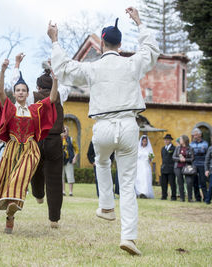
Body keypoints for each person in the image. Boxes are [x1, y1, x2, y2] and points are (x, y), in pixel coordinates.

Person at [49, 7, 160, 255]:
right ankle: (129, 237)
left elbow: (65, 68)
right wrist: (140, 23)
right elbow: (151, 51)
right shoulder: (132, 63)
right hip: (129, 126)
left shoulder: (93, 68)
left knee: (101, 161)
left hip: (104, 127)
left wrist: (55, 40)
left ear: (101, 45)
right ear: (120, 45)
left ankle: (107, 206)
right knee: (128, 184)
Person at [0, 58, 57, 234]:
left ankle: (13, 205)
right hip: (11, 149)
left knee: (21, 176)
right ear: (15, 93)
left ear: (27, 93)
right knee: (9, 181)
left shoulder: (35, 109)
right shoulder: (9, 107)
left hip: (30, 149)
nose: (21, 92)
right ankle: (10, 216)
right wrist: (2, 71)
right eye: (18, 90)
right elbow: (1, 91)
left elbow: (53, 98)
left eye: (24, 90)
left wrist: (55, 78)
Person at [12, 53, 71, 229]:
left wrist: (17, 65)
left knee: (36, 171)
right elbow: (67, 83)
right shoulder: (60, 93)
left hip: (36, 140)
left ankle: (38, 194)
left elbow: (15, 85)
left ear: (37, 86)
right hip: (54, 141)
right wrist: (56, 71)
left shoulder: (31, 97)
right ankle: (54, 219)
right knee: (54, 178)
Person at [173, 135, 195, 202]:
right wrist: (179, 159)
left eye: (180, 139)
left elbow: (192, 158)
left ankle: (190, 198)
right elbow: (173, 157)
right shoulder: (177, 148)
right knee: (180, 182)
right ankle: (182, 198)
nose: (179, 140)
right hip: (178, 167)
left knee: (189, 182)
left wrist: (185, 160)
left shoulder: (190, 148)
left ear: (184, 140)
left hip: (187, 167)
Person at [190, 128, 208, 202]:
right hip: (194, 165)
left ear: (200, 135)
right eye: (194, 135)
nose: (195, 136)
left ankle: (206, 198)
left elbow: (205, 153)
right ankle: (198, 198)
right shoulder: (191, 144)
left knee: (203, 182)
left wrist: (197, 152)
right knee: (195, 182)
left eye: (196, 134)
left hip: (202, 165)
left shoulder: (205, 143)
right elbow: (191, 153)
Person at [61, 125, 78, 197]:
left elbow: (77, 150)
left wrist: (75, 158)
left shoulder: (71, 139)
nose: (65, 132)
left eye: (66, 131)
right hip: (61, 161)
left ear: (68, 131)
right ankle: (63, 191)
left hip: (69, 160)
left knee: (70, 176)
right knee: (61, 177)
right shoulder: (59, 139)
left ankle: (70, 192)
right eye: (63, 131)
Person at [160, 134, 176, 200]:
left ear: (170, 140)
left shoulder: (174, 148)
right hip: (164, 168)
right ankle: (164, 196)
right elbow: (162, 157)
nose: (166, 141)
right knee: (163, 183)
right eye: (165, 140)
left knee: (172, 183)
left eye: (167, 140)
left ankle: (173, 196)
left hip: (171, 168)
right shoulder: (163, 149)